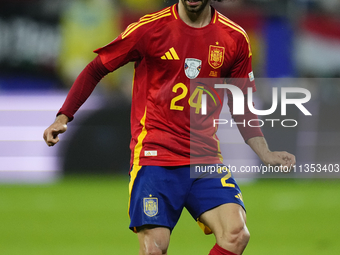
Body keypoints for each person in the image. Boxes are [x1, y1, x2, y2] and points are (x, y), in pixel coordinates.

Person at [44, 1, 296, 254]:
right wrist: (63, 116)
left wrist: (265, 153)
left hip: (204, 158)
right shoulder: (150, 28)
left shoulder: (234, 38)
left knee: (236, 234)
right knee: (155, 249)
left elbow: (241, 107)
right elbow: (96, 68)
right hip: (155, 157)